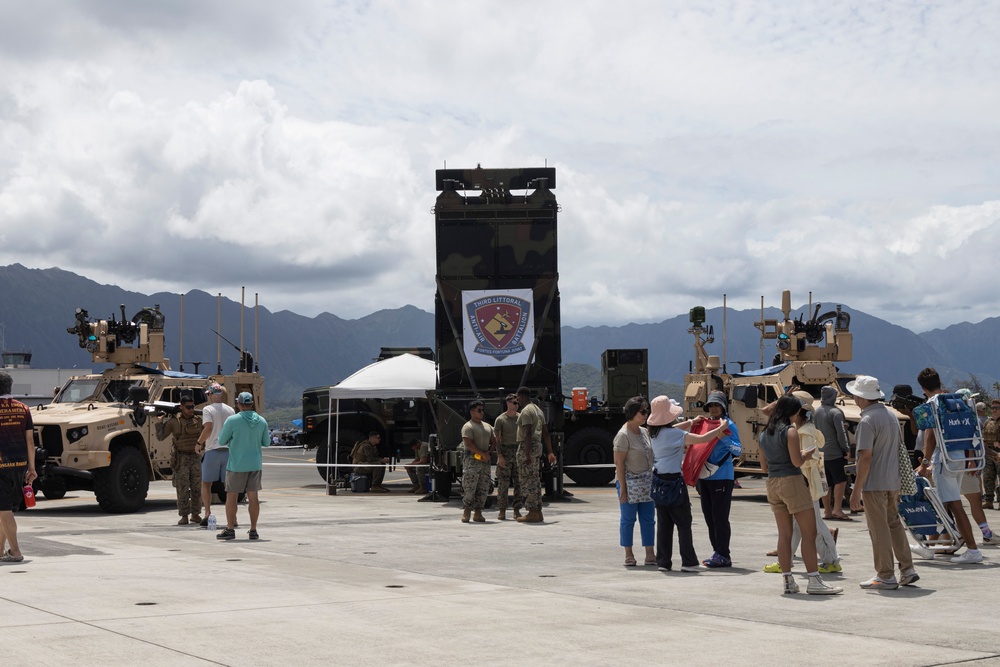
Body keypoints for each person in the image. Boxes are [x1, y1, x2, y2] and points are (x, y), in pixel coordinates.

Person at [758, 394, 842, 595]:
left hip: (773, 483)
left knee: (784, 535)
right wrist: (806, 454)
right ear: (793, 412)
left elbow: (764, 467)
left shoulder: (763, 433)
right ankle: (814, 580)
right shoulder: (790, 431)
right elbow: (797, 461)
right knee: (809, 533)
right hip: (792, 482)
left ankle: (788, 580)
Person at [847, 375, 920, 588]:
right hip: (892, 480)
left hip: (874, 482)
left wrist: (856, 490)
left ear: (861, 397)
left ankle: (885, 574)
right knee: (894, 524)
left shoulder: (867, 421)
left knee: (878, 528)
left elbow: (865, 457)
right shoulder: (891, 416)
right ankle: (907, 569)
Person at [647, 395, 729, 572]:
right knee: (684, 523)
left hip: (658, 481)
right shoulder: (675, 434)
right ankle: (688, 562)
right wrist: (720, 428)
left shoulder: (654, 433)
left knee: (664, 524)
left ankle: (663, 562)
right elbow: (702, 439)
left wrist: (691, 422)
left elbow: (673, 429)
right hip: (674, 482)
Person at [914, 369, 984, 564]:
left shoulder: (932, 404)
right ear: (939, 382)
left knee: (954, 503)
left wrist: (925, 462)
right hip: (959, 456)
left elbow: (930, 436)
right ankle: (928, 546)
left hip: (943, 459)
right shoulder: (954, 401)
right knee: (943, 502)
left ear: (923, 388)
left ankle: (972, 549)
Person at [696, 390, 743, 569]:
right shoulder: (704, 424)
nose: (714, 408)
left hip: (722, 477)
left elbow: (738, 450)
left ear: (723, 407)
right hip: (705, 476)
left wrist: (723, 438)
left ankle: (723, 554)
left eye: (717, 405)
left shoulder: (729, 425)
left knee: (720, 517)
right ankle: (717, 552)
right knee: (709, 517)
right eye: (711, 405)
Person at [216, 392, 268, 541]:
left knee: (231, 496)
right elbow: (266, 442)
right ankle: (253, 530)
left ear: (238, 404)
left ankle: (230, 529)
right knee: (253, 496)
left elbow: (221, 440)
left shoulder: (233, 420)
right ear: (252, 404)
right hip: (255, 464)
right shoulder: (262, 421)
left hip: (237, 464)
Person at [0, 371, 37, 563]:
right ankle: (0, 550)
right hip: (19, 464)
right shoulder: (24, 409)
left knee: (4, 509)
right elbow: (30, 441)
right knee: (4, 508)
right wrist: (32, 468)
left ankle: (15, 551)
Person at [614, 396, 655, 567]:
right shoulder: (623, 435)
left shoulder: (644, 432)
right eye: (642, 412)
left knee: (648, 519)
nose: (646, 415)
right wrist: (623, 488)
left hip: (646, 483)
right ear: (632, 413)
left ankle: (650, 553)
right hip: (629, 483)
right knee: (628, 519)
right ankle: (628, 553)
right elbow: (619, 463)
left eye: (647, 411)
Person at [155, 394, 204, 525]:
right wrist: (159, 422)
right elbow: (160, 436)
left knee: (196, 487)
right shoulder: (174, 422)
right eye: (188, 407)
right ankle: (184, 515)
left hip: (195, 457)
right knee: (182, 488)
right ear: (181, 407)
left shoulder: (198, 421)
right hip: (181, 458)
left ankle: (196, 514)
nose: (191, 410)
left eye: (192, 407)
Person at [195, 383, 235, 526]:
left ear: (211, 395)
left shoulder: (208, 409)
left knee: (206, 484)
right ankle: (233, 518)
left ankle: (207, 512)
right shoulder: (231, 410)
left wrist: (199, 443)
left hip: (212, 449)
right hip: (228, 451)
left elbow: (208, 428)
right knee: (229, 487)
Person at [515, 386, 556, 524]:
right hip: (538, 445)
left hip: (528, 446)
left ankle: (532, 512)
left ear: (522, 397)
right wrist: (550, 451)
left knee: (527, 480)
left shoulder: (526, 411)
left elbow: (527, 432)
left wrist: (527, 454)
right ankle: (538, 511)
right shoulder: (538, 410)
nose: (517, 400)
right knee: (535, 479)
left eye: (517, 398)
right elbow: (545, 433)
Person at [814, 385, 852, 521]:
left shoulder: (816, 412)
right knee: (840, 481)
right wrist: (846, 449)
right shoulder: (836, 413)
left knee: (826, 483)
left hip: (820, 453)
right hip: (835, 453)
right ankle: (837, 509)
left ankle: (827, 511)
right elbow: (841, 433)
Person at [460, 399, 494, 523]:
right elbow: (468, 443)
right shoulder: (468, 426)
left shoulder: (487, 426)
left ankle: (478, 513)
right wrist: (482, 453)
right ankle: (467, 511)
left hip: (485, 460)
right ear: (472, 412)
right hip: (472, 460)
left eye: (482, 410)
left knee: (483, 488)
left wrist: (489, 452)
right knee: (470, 487)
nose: (482, 412)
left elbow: (494, 440)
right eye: (479, 410)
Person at [493, 393, 523, 519]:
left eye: (518, 403)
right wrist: (500, 456)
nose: (516, 405)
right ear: (508, 403)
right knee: (503, 483)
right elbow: (497, 440)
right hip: (505, 451)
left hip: (518, 451)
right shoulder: (500, 419)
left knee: (519, 483)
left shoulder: (521, 417)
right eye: (514, 403)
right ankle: (502, 510)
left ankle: (517, 510)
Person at [983, 399, 1000, 510]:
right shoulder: (988, 422)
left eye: (996, 408)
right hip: (989, 452)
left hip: (999, 453)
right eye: (992, 408)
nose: (994, 410)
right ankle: (988, 500)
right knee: (988, 477)